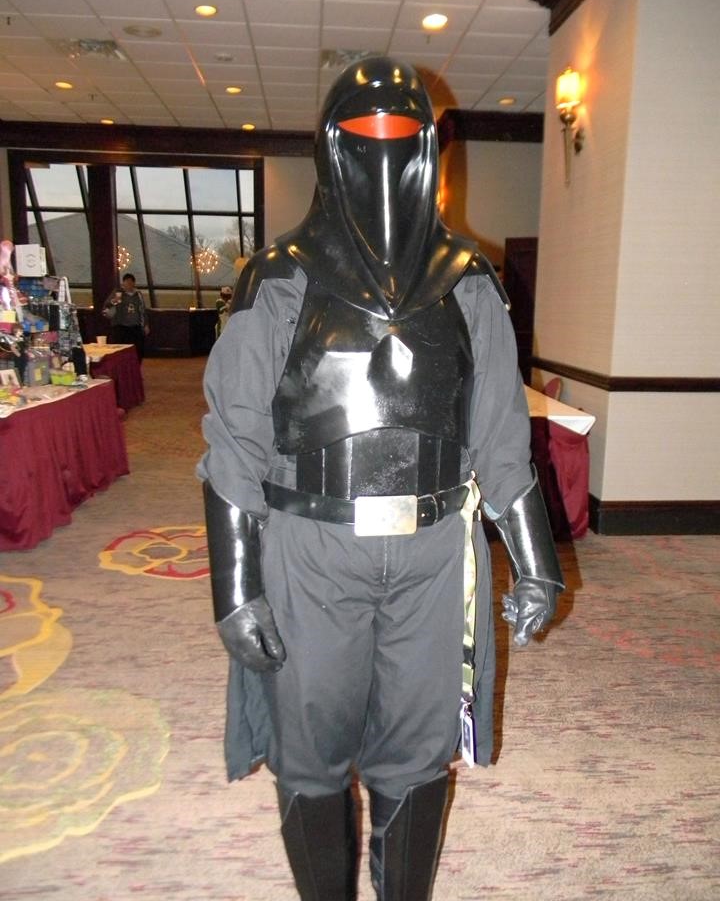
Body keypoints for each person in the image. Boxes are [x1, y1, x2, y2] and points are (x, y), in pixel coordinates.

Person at [198, 56, 564, 901]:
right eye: (365, 134)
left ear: (431, 149)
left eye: (405, 134)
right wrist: (236, 587)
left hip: (434, 552)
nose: (385, 151)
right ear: (332, 147)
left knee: (418, 749)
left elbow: (501, 436)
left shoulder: (469, 282)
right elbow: (234, 440)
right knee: (311, 745)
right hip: (313, 546)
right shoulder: (280, 278)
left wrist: (536, 561)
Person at [102, 273, 149, 361]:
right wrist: (114, 301)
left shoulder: (138, 294)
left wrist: (145, 324)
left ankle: (136, 366)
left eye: (130, 283)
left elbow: (142, 309)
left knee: (138, 350)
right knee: (121, 351)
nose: (128, 285)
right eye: (126, 283)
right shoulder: (118, 293)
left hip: (135, 326)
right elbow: (106, 307)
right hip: (121, 326)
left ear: (134, 283)